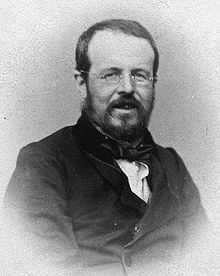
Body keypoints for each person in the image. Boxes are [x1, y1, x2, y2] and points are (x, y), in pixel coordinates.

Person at [3, 19, 208, 276]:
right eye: (111, 75)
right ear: (82, 82)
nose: (127, 88)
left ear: (154, 83)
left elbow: (207, 259)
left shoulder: (172, 164)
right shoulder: (43, 162)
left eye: (140, 75)